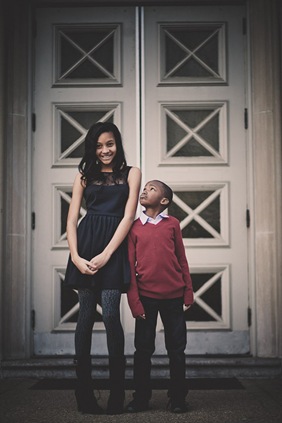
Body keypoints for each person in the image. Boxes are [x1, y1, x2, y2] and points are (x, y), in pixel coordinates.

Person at [63, 122, 141, 415]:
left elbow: (129, 215)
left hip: (113, 248)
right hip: (84, 246)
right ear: (91, 148)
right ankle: (83, 394)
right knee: (85, 315)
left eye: (109, 144)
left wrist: (108, 253)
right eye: (98, 145)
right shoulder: (84, 175)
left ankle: (117, 394)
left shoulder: (132, 173)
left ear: (117, 144)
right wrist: (75, 256)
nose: (105, 150)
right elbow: (71, 220)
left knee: (109, 314)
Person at [126, 180, 194, 413]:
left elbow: (182, 259)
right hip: (146, 297)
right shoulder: (134, 227)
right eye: (144, 187)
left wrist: (188, 290)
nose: (144, 190)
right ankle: (141, 398)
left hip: (174, 297)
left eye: (151, 189)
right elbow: (129, 266)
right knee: (143, 350)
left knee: (176, 349)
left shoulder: (172, 224)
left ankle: (177, 398)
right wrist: (134, 301)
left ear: (164, 201)